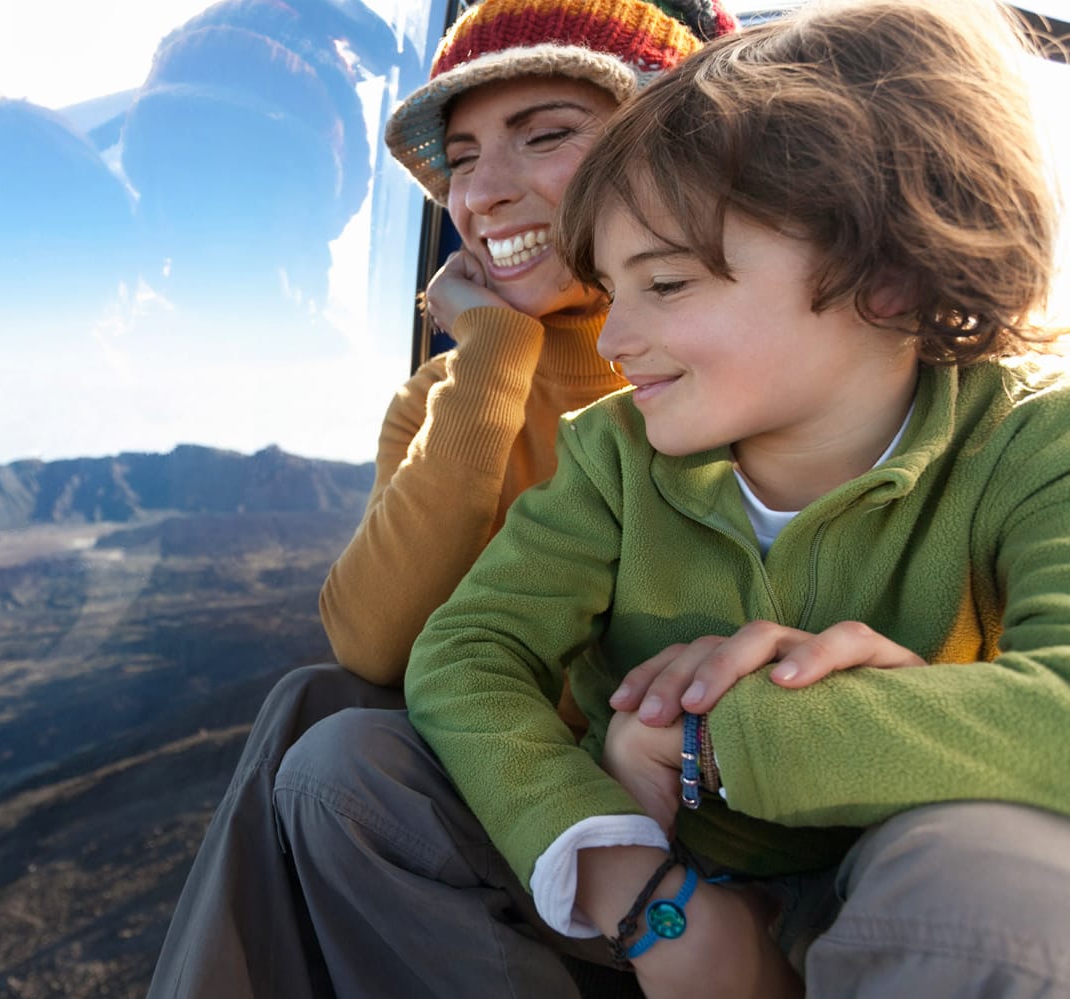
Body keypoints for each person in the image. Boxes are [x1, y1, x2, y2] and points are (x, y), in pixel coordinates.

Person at [405, 0, 1070, 995]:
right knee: (348, 776)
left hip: (883, 883)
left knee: (985, 873)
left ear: (881, 276)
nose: (618, 337)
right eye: (612, 287)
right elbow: (466, 650)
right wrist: (633, 884)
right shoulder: (614, 455)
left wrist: (714, 735)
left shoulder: (1033, 442)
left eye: (664, 286)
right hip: (648, 885)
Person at [147, 1, 736, 996]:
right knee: (322, 705)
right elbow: (371, 641)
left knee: (324, 729)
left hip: (708, 826)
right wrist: (495, 360)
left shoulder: (746, 365)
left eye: (545, 135)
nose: (484, 193)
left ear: (669, 152)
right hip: (534, 820)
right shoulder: (448, 398)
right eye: (460, 158)